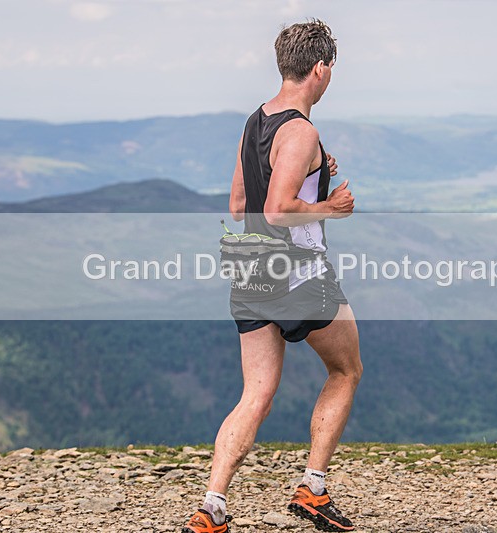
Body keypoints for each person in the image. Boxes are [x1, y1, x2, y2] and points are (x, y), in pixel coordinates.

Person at [182, 19, 363, 533]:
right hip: (298, 275)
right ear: (321, 68)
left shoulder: (255, 122)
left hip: (250, 271)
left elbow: (241, 206)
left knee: (255, 394)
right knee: (346, 370)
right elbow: (279, 210)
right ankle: (313, 487)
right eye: (333, 68)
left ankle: (213, 506)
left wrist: (311, 171)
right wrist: (331, 205)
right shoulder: (302, 130)